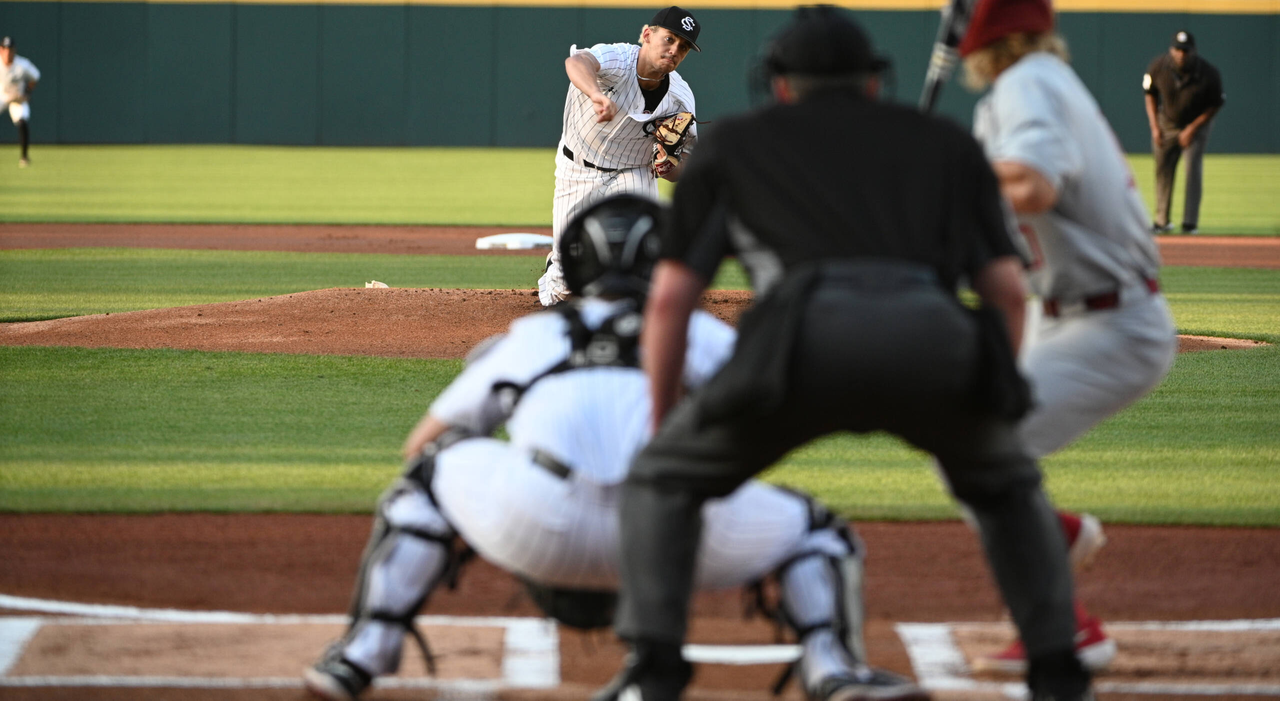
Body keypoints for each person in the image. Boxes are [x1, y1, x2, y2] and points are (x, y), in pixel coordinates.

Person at [601, 5, 1092, 701]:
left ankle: (654, 668)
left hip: (797, 346)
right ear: (871, 82)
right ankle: (1058, 670)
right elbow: (1009, 295)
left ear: (778, 83)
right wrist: (995, 400)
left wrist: (662, 426)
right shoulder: (943, 143)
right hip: (934, 341)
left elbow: (670, 301)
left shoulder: (734, 144)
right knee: (1010, 490)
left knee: (662, 481)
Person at [303, 194, 920, 701]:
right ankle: (833, 669)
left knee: (427, 478)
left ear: (575, 263)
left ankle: (361, 655)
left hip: (534, 523)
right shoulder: (700, 334)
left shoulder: (534, 335)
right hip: (674, 537)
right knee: (819, 531)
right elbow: (769, 426)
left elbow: (424, 443)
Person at [948, 0, 1178, 676]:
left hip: (1112, 321)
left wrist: (943, 184)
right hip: (1067, 311)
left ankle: (1067, 627)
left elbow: (1033, 186)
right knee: (968, 443)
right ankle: (1054, 532)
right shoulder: (1030, 83)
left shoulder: (1026, 86)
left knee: (984, 453)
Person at [537, 7, 701, 307]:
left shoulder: (680, 98)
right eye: (670, 39)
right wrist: (596, 94)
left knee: (645, 260)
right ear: (648, 35)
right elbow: (577, 62)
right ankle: (554, 268)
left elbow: (684, 166)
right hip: (579, 168)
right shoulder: (618, 58)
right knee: (561, 290)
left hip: (633, 171)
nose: (675, 50)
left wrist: (670, 165)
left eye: (684, 46)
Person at [1144, 30, 1225, 234]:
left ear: (1193, 51)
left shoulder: (1208, 73)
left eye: (1186, 50)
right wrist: (1155, 127)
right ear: (1171, 50)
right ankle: (1162, 222)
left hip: (1197, 125)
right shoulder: (1158, 67)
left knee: (1192, 170)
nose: (1182, 54)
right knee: (1162, 169)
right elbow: (1149, 94)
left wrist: (1191, 129)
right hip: (1167, 122)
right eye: (1178, 49)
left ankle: (1190, 223)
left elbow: (1215, 104)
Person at [1, 36, 40, 168]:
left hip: (17, 97)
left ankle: (24, 157)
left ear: (14, 50)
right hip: (2, 95)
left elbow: (35, 76)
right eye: (5, 49)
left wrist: (27, 93)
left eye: (10, 49)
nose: (8, 52)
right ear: (1, 50)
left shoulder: (22, 64)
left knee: (22, 120)